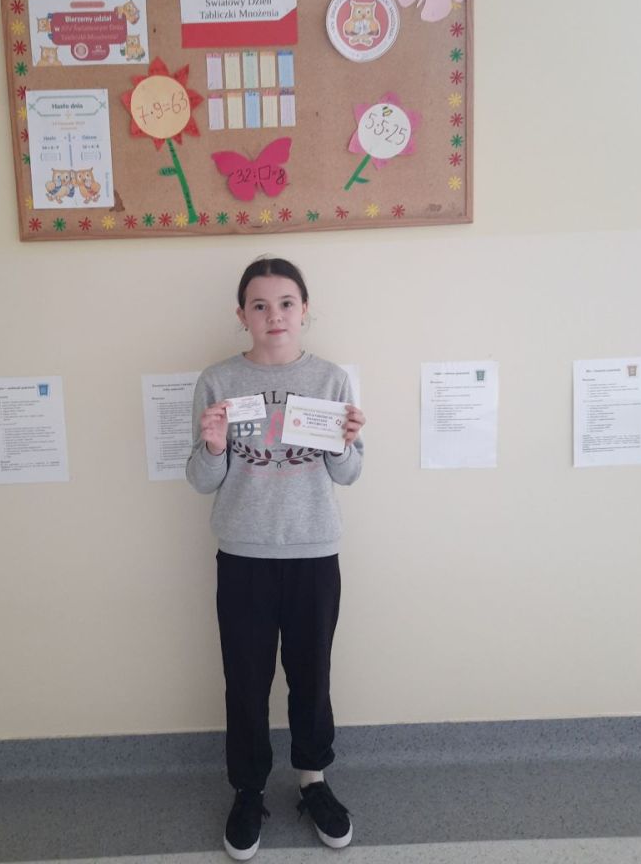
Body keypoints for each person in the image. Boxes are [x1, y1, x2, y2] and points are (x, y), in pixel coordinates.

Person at [186, 257, 365, 861]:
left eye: (286, 303)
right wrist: (213, 446)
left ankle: (313, 780)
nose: (274, 315)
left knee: (312, 674)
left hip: (315, 552)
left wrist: (344, 443)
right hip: (243, 555)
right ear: (242, 315)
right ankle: (248, 789)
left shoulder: (331, 380)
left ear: (304, 309)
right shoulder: (217, 381)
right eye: (259, 305)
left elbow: (350, 472)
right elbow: (201, 480)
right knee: (245, 680)